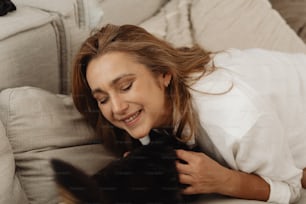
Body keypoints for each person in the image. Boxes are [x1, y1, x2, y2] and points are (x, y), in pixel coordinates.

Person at [71, 24, 306, 204]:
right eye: (102, 98)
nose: (117, 107)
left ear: (163, 74)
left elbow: (293, 188)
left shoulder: (235, 120)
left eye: (125, 86)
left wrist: (227, 181)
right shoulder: (149, 112)